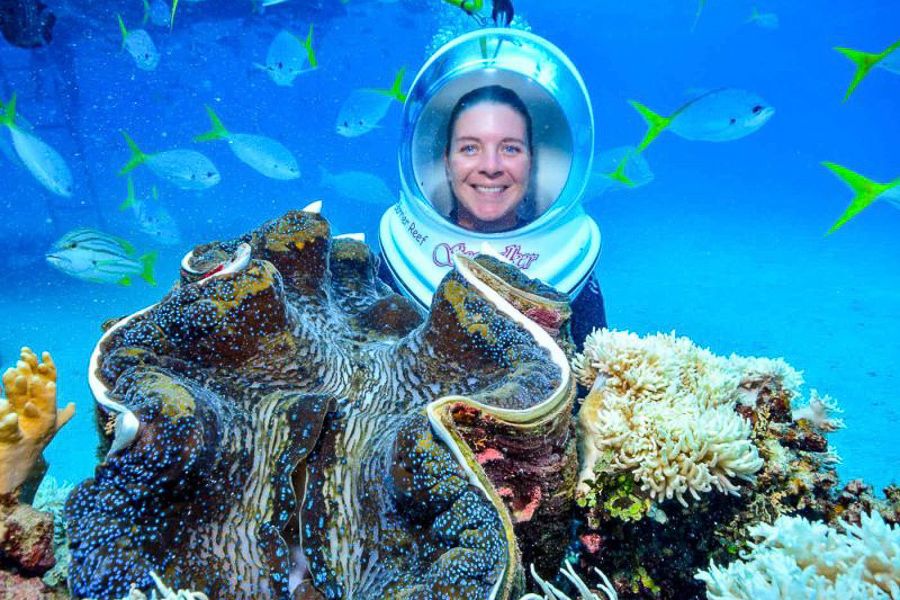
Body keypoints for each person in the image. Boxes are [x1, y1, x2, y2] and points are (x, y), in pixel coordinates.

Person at [378, 28, 606, 348]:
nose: (491, 166)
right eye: (470, 148)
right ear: (446, 161)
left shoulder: (569, 257)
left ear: (532, 161)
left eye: (511, 148)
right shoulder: (393, 259)